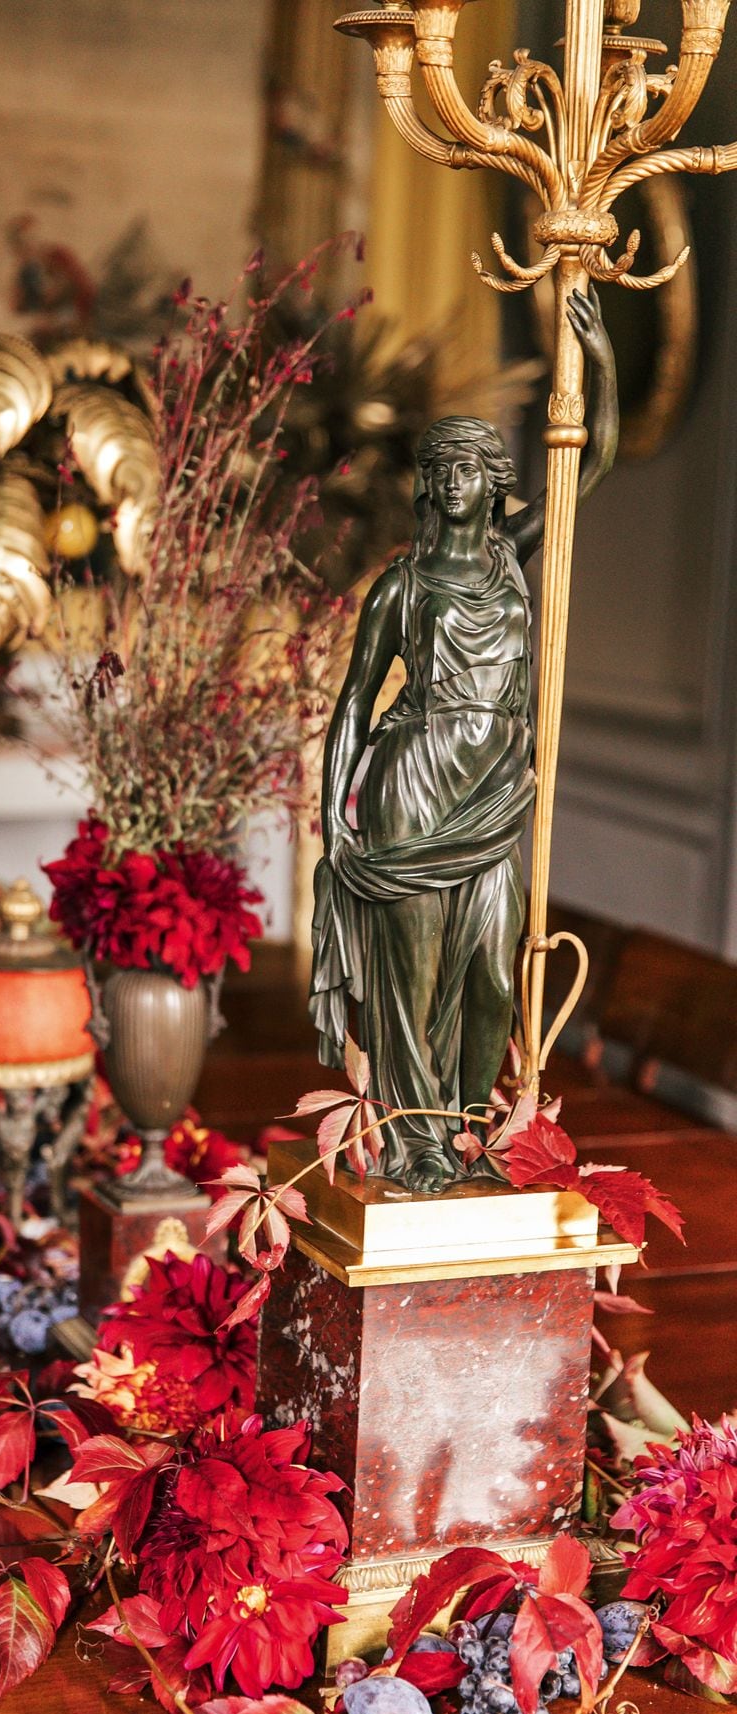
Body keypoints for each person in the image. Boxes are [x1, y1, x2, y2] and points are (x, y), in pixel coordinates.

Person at [311, 287, 618, 1191]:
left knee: (489, 973)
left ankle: (469, 1129)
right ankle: (417, 1147)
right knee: (409, 979)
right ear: (426, 483)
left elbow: (588, 461)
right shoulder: (399, 587)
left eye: (468, 468)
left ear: (492, 482)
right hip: (414, 784)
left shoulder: (510, 556)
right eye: (438, 469)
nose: (452, 482)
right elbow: (353, 707)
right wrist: (336, 822)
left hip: (494, 791)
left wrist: (594, 360)